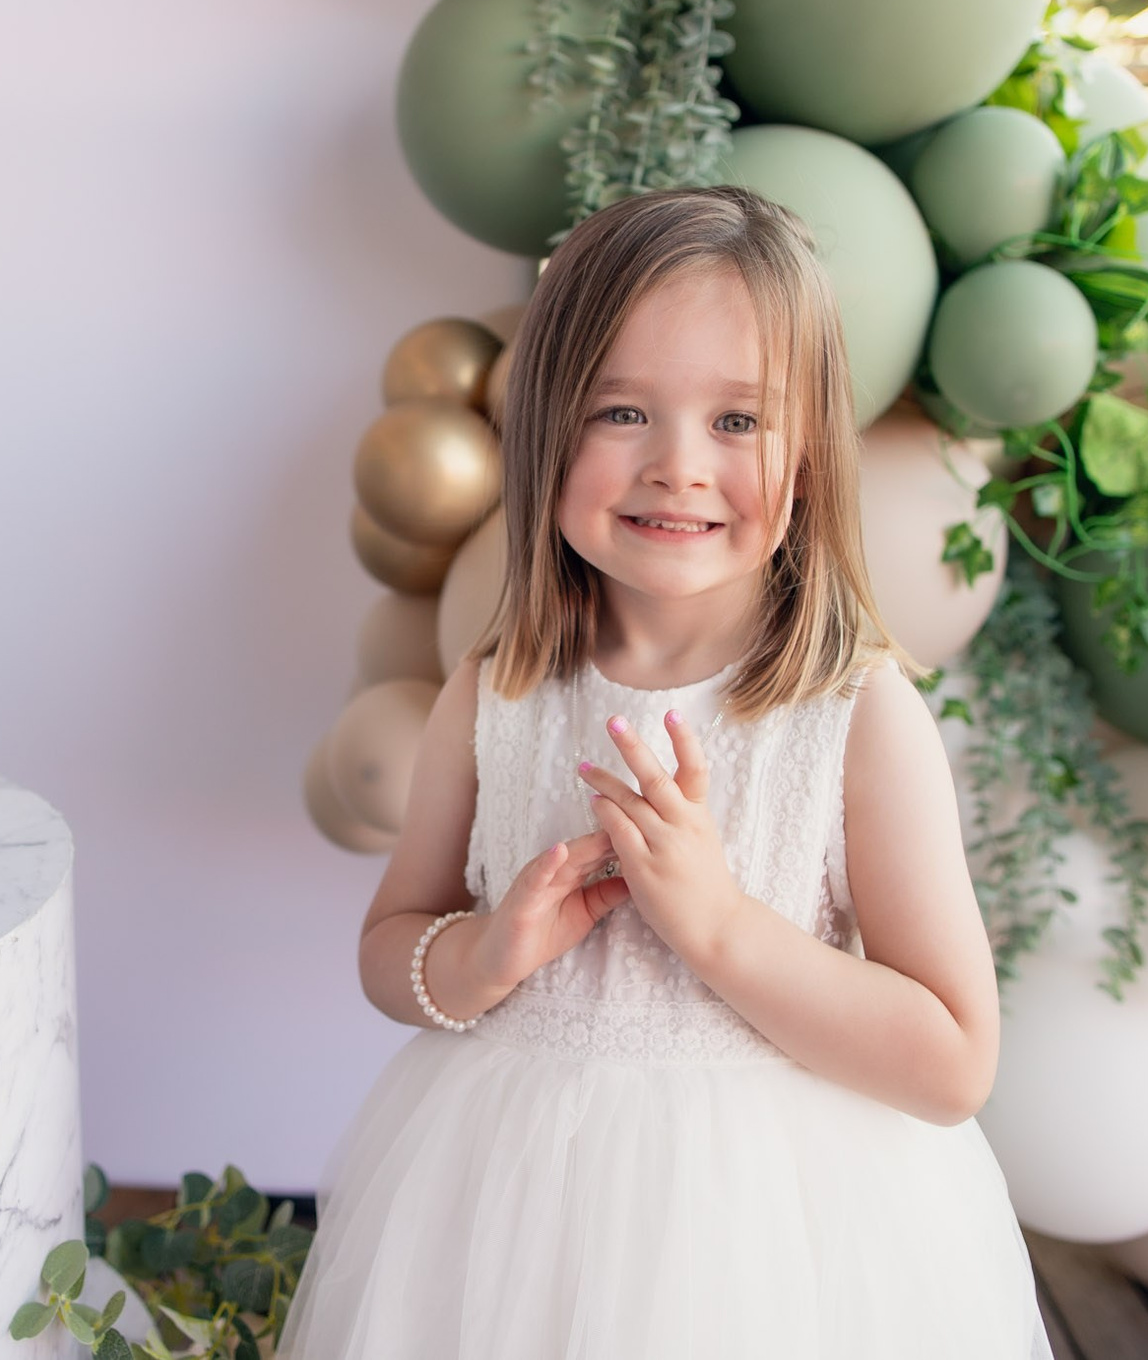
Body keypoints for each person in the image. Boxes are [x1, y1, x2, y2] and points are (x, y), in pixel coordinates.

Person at [282, 187, 1052, 1359]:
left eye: (738, 419)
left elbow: (952, 1061)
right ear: (546, 432)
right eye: (622, 410)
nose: (677, 465)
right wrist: (485, 953)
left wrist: (719, 924)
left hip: (769, 1244)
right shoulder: (494, 694)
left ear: (808, 457)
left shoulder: (853, 717)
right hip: (509, 1214)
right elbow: (390, 947)